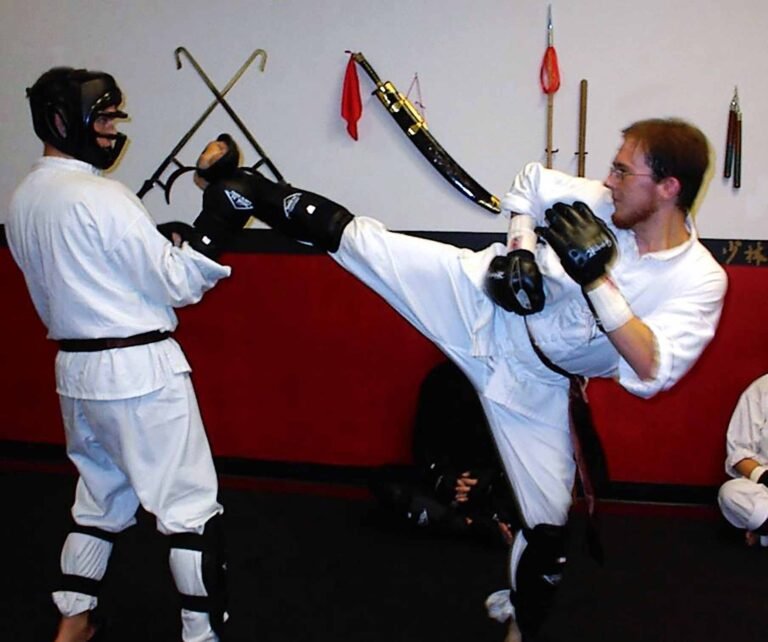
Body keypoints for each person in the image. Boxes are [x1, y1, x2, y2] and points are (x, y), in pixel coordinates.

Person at [200, 117, 727, 641]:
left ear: (667, 187)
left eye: (622, 170)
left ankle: (522, 624)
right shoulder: (601, 199)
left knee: (546, 527)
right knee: (367, 244)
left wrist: (596, 281)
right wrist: (521, 249)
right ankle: (246, 190)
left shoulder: (698, 279)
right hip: (484, 304)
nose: (608, 180)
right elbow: (529, 184)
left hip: (537, 385)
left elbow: (653, 367)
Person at [6, 67, 249, 642]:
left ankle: (74, 624)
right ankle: (201, 635)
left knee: (98, 500)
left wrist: (159, 241)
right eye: (105, 117)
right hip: (139, 370)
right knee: (189, 511)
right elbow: (178, 285)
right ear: (65, 120)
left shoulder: (23, 199)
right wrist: (217, 223)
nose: (113, 129)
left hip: (75, 370)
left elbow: (86, 273)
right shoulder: (102, 196)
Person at [369, 359, 520, 546]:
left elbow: (523, 451)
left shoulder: (513, 384)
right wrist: (446, 479)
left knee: (534, 499)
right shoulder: (440, 379)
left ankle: (462, 521)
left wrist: (487, 480)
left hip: (494, 486)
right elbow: (423, 448)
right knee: (385, 480)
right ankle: (468, 525)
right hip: (448, 486)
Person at [718, 373, 768, 548]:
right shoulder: (760, 389)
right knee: (731, 493)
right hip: (765, 486)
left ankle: (764, 533)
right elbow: (739, 454)